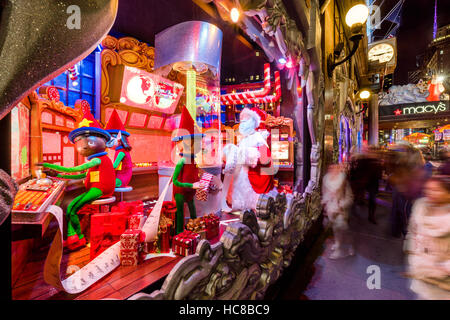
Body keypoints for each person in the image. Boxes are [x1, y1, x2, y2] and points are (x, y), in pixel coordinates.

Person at [404, 176, 450, 300]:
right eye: (428, 189)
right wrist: (411, 252)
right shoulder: (421, 206)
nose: (430, 193)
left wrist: (443, 268)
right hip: (422, 269)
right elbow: (413, 230)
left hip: (443, 279)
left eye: (437, 190)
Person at [322, 164, 354, 259]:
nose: (333, 170)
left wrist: (342, 205)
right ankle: (339, 243)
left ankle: (340, 249)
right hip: (331, 209)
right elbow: (324, 194)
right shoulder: (326, 180)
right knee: (336, 229)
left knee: (342, 229)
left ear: (339, 169)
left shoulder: (343, 182)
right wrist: (324, 201)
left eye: (336, 168)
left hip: (340, 210)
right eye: (331, 168)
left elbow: (350, 197)